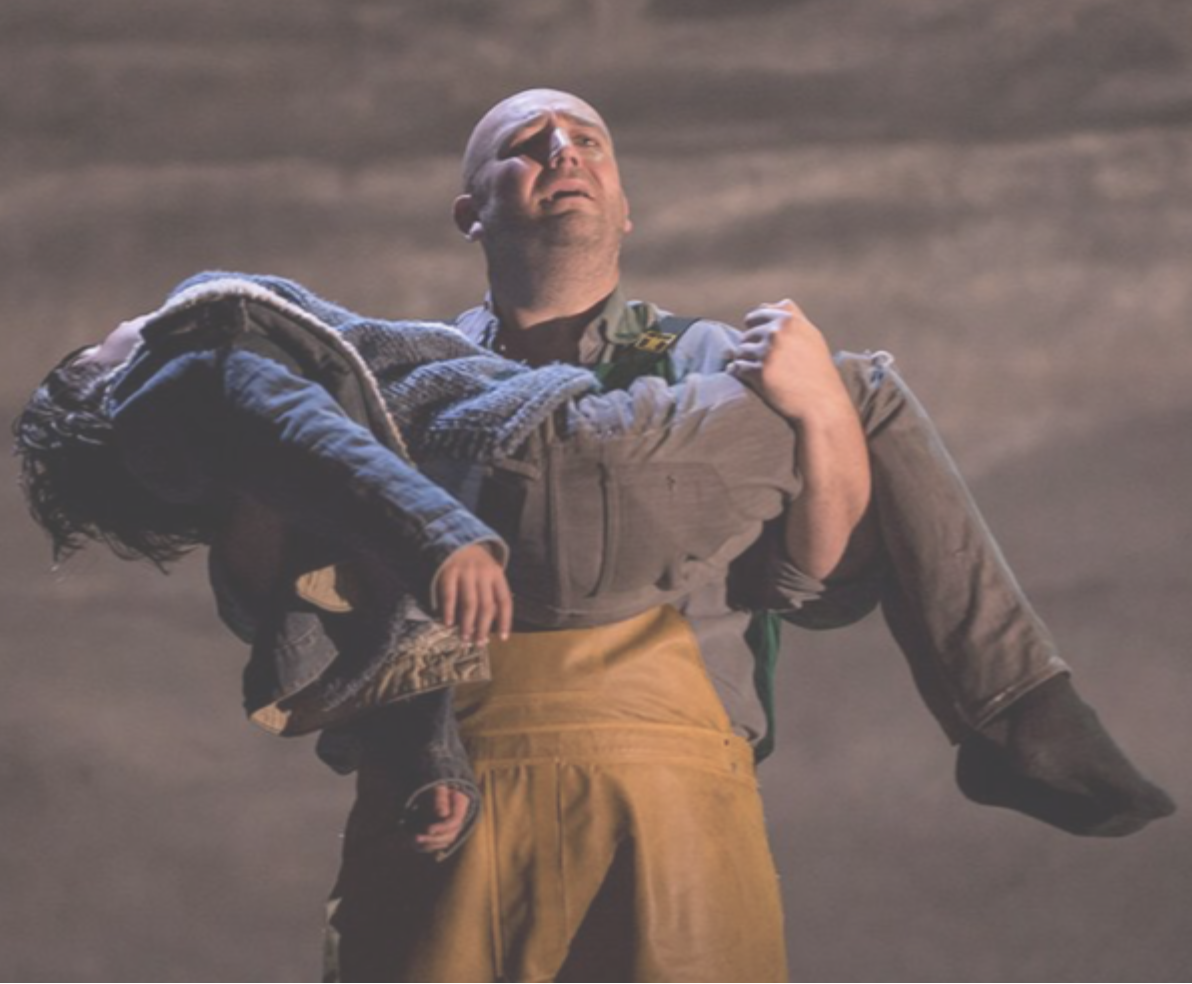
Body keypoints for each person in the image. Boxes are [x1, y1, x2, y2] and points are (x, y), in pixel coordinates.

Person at [320, 89, 1174, 982]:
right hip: (446, 792)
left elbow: (817, 581)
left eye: (590, 142)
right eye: (528, 145)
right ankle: (1018, 709)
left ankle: (1016, 709)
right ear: (471, 211)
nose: (566, 152)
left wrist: (821, 411)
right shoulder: (402, 379)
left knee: (851, 390)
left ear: (624, 204)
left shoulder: (718, 365)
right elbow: (325, 584)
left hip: (674, 805)